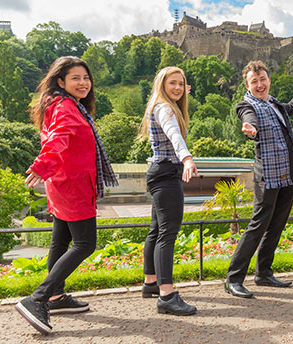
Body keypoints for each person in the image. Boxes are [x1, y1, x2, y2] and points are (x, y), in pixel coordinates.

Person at [16, 56, 118, 335]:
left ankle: (55, 297)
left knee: (60, 242)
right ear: (61, 81)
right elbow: (58, 138)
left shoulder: (61, 104)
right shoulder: (65, 107)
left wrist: (47, 167)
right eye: (76, 78)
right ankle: (37, 298)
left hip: (64, 183)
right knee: (85, 243)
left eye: (86, 78)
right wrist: (42, 164)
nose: (83, 83)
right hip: (72, 184)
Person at [224, 60, 293, 298]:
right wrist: (249, 127)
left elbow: (291, 107)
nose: (259, 85)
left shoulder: (273, 103)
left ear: (268, 79)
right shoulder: (246, 105)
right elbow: (247, 116)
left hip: (289, 172)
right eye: (254, 81)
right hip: (267, 175)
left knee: (277, 223)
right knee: (257, 225)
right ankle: (233, 278)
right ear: (247, 84)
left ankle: (263, 273)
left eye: (262, 80)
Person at [138, 66, 198, 315]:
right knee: (167, 235)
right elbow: (174, 135)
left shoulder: (158, 104)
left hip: (158, 172)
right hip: (167, 174)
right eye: (172, 83)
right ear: (161, 84)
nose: (177, 88)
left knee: (156, 231)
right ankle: (166, 295)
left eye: (181, 84)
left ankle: (151, 282)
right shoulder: (165, 109)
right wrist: (187, 158)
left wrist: (182, 93)